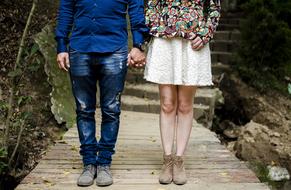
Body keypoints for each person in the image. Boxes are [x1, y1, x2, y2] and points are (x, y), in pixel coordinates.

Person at [55, 0, 148, 187]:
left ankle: (104, 162)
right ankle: (89, 162)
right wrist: (61, 46)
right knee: (83, 109)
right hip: (80, 48)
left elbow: (137, 9)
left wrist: (138, 44)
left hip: (114, 48)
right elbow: (66, 9)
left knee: (111, 109)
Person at [144, 0, 221, 185]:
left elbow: (214, 9)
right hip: (165, 41)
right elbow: (150, 5)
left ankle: (179, 160)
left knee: (185, 105)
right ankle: (167, 159)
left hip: (193, 43)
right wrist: (159, 26)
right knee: (167, 104)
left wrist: (205, 34)